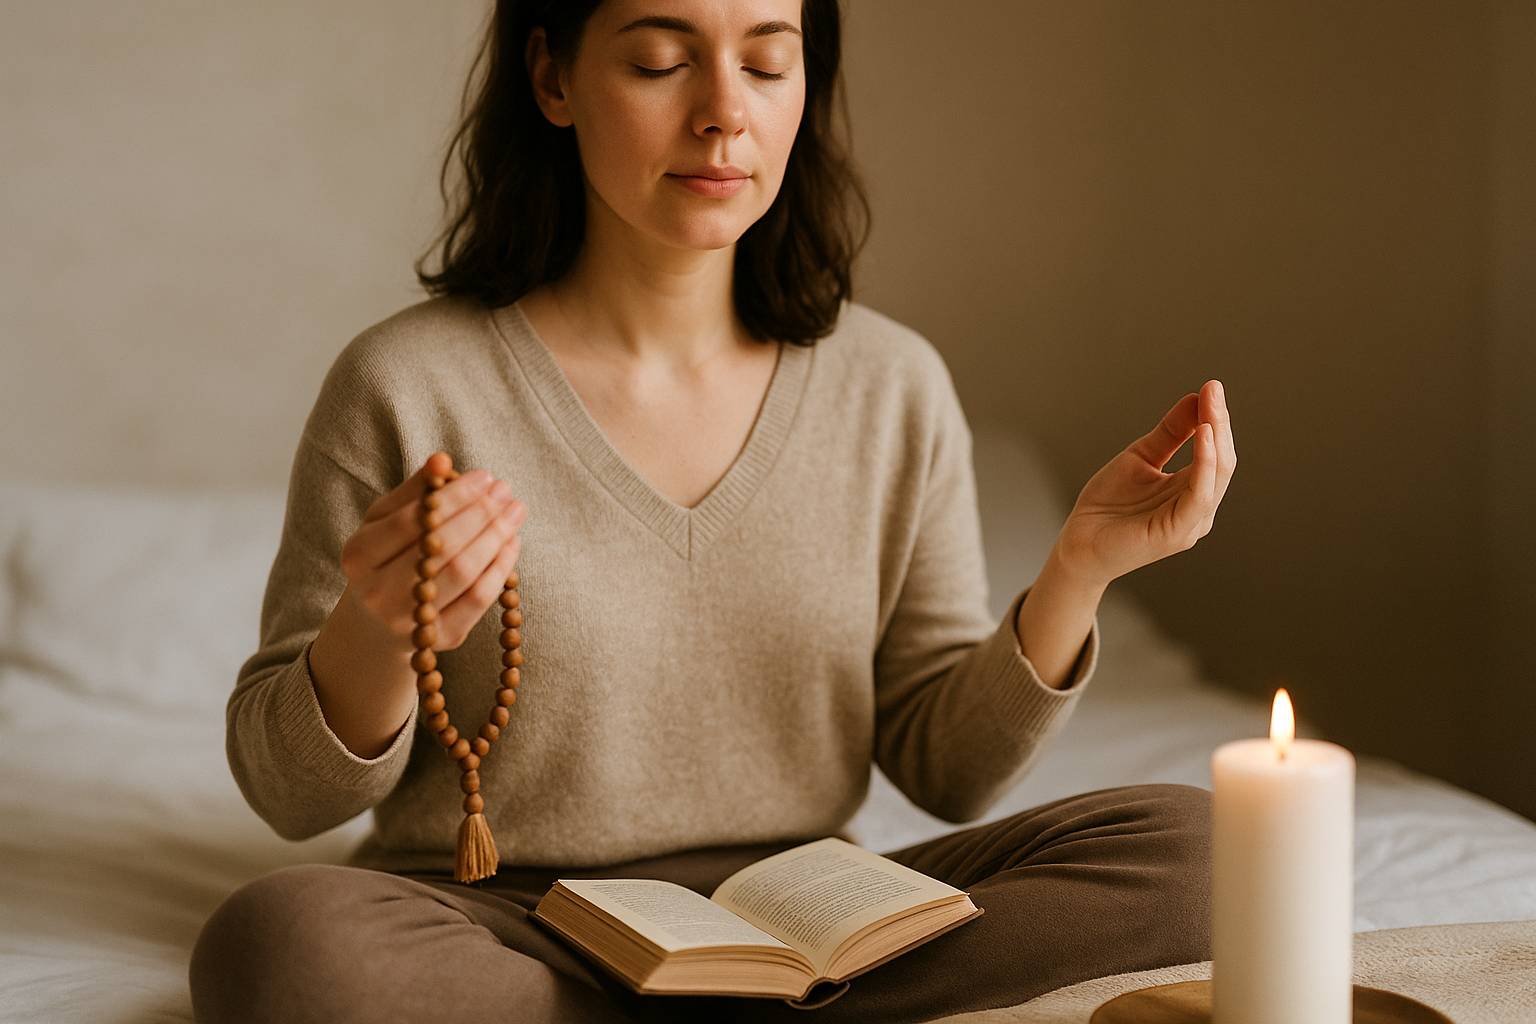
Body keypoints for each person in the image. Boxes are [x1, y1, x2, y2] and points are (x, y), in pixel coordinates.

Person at [188, 1, 1238, 1021]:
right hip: (514, 919)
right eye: (658, 62)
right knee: (284, 944)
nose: (724, 112)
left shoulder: (890, 384)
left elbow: (948, 773)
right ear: (553, 78)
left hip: (813, 917)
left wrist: (1078, 574)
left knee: (1212, 855)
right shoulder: (409, 383)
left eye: (768, 64)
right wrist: (373, 627)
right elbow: (291, 796)